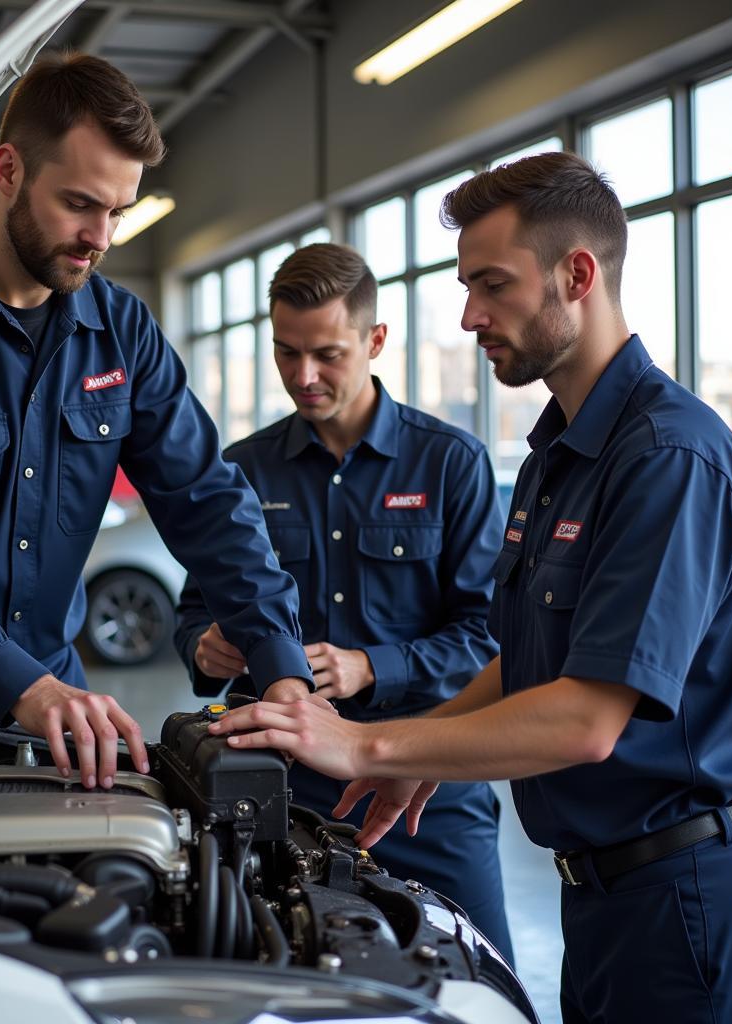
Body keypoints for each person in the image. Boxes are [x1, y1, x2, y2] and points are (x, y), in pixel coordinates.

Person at [208, 153, 732, 1023]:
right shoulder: (560, 453)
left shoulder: (665, 458)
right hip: (602, 897)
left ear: (576, 275)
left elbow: (586, 720)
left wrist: (367, 748)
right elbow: (527, 659)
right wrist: (419, 754)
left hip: (685, 897)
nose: (471, 315)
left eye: (492, 285)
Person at [0, 52, 314, 791]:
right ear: (8, 170)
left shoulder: (122, 330)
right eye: (79, 203)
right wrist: (23, 687)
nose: (100, 236)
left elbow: (206, 497)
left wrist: (282, 669)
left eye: (118, 211)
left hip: (53, 711)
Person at [174, 243, 513, 962]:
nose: (304, 376)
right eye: (285, 352)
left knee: (476, 977)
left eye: (326, 353)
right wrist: (205, 647)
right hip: (280, 788)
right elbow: (190, 614)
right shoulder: (241, 469)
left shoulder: (451, 464)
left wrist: (371, 667)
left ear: (375, 339)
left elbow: (489, 635)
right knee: (290, 980)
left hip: (429, 794)